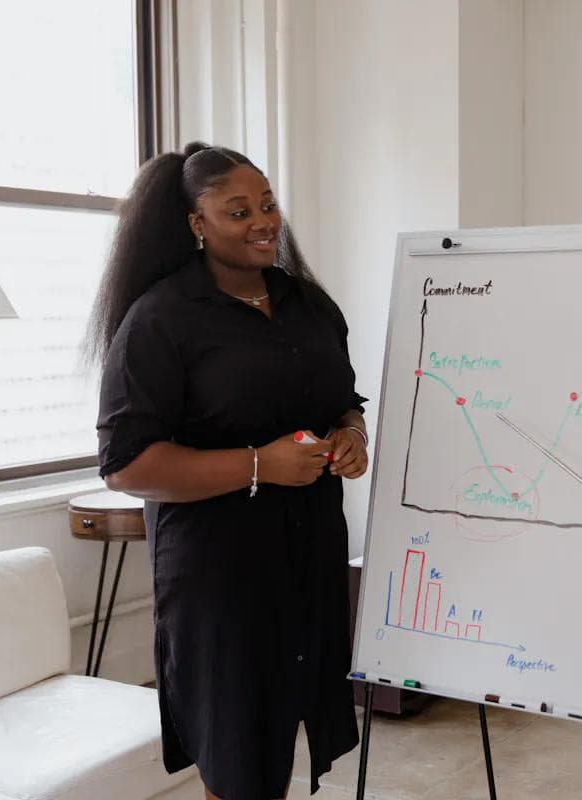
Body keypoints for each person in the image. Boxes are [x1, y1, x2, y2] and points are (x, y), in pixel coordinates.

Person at [89, 142, 369, 799]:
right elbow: (126, 465)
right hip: (223, 580)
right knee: (239, 757)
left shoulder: (308, 306)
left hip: (310, 563)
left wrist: (351, 436)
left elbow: (344, 402)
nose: (264, 221)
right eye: (238, 210)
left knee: (289, 732)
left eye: (268, 203)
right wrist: (259, 465)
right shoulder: (159, 321)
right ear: (197, 224)